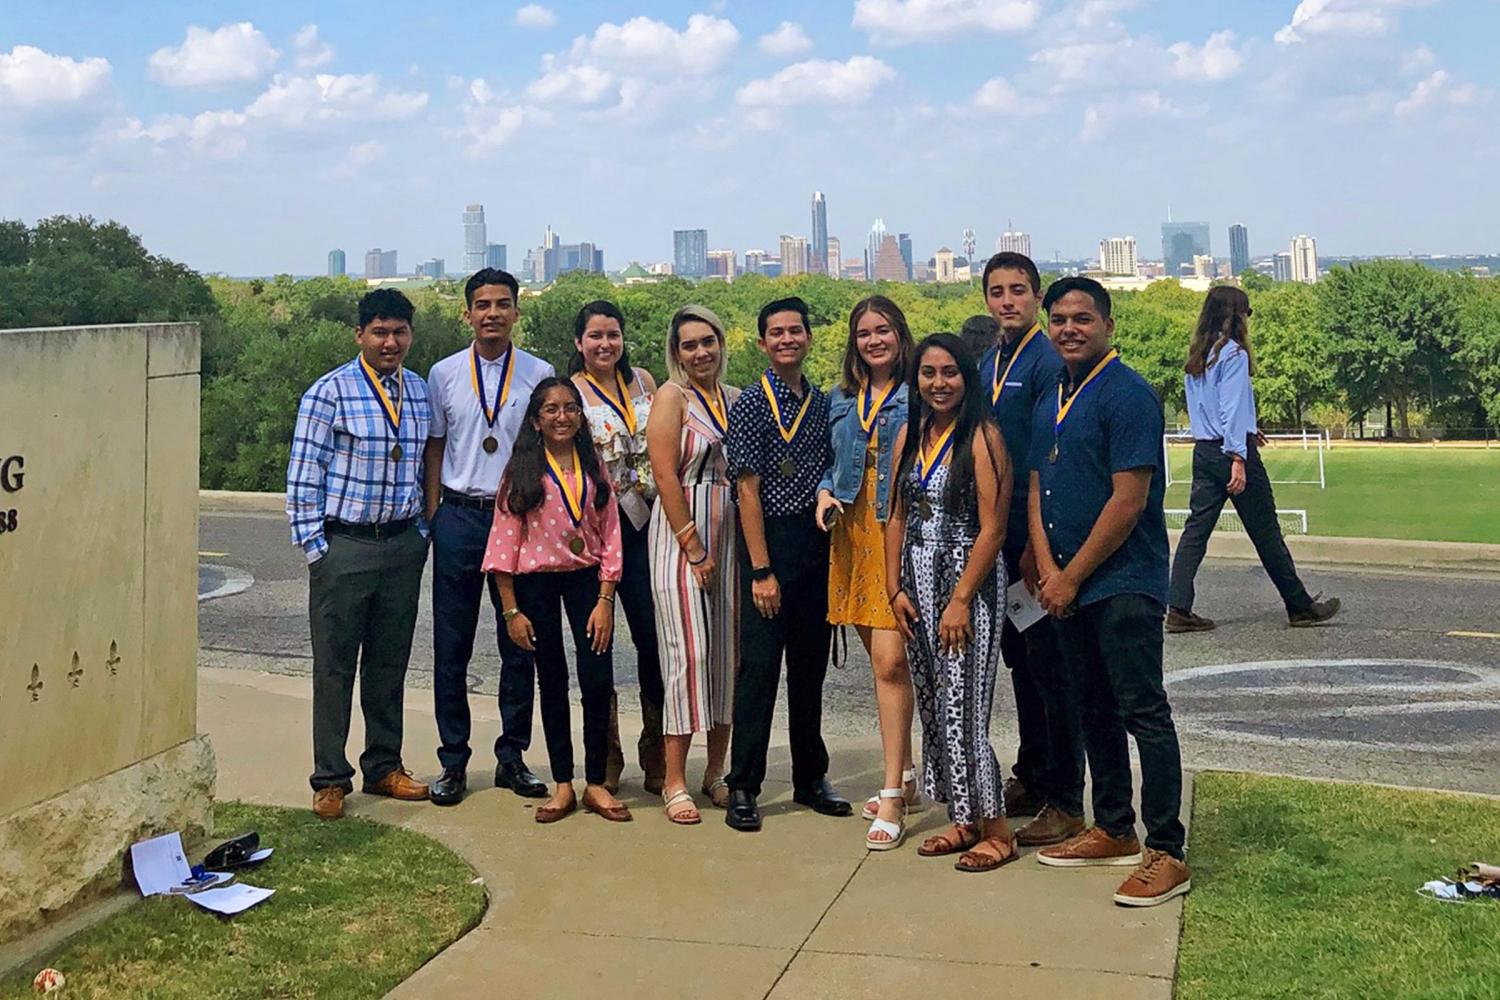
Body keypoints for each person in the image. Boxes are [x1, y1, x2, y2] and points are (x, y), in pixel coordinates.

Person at [1027, 276, 1191, 907]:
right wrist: (1048, 569)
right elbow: (1039, 486)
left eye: (1083, 319)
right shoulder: (1053, 398)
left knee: (1141, 710)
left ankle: (1166, 848)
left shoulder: (1128, 395)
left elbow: (1129, 501)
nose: (1071, 329)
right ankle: (1114, 827)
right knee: (1092, 708)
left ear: (1108, 326)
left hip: (1122, 583)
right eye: (1060, 320)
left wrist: (1071, 575)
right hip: (1065, 586)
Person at [286, 287, 433, 820]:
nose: (390, 342)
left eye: (399, 332)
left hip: (400, 543)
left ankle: (384, 765)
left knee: (389, 663)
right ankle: (330, 778)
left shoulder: (418, 391)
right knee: (334, 666)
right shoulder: (329, 392)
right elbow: (304, 475)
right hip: (344, 543)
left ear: (409, 336)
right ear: (360, 335)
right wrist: (317, 551)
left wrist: (419, 531)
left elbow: (423, 463)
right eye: (379, 332)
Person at [424, 268, 555, 807]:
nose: (492, 313)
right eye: (482, 304)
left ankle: (512, 757)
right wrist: (435, 514)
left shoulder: (539, 372)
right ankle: (453, 761)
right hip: (460, 513)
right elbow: (436, 445)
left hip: (517, 518)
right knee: (451, 647)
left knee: (518, 643)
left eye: (503, 304)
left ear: (517, 311)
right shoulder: (444, 373)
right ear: (467, 313)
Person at [886, 333, 1017, 872]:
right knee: (935, 708)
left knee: (964, 711)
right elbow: (894, 513)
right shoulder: (909, 435)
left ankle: (999, 830)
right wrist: (892, 587)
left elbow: (993, 529)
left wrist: (961, 598)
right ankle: (962, 818)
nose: (938, 384)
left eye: (949, 373)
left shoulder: (983, 437)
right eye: (928, 373)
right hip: (915, 582)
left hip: (967, 586)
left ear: (968, 377)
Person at [723, 296, 850, 831]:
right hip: (768, 543)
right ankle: (744, 786)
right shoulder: (751, 404)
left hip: (813, 544)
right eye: (775, 333)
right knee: (758, 671)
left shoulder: (822, 402)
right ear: (761, 343)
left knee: (809, 670)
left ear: (808, 337)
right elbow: (746, 491)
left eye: (795, 331)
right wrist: (761, 570)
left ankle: (809, 775)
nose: (786, 340)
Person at [483, 379, 630, 823]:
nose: (561, 416)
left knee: (597, 679)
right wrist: (511, 610)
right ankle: (564, 783)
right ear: (535, 420)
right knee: (552, 680)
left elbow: (611, 534)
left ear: (580, 417)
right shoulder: (521, 472)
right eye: (551, 409)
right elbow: (502, 547)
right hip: (537, 584)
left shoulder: (593, 464)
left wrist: (606, 598)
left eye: (569, 408)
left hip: (587, 582)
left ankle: (596, 784)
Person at [976, 252, 1085, 848]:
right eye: (997, 291)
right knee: (1021, 662)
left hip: (1030, 539)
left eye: (1019, 290)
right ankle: (1034, 771)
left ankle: (1066, 797)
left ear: (1036, 298)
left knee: (1052, 668)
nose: (1008, 301)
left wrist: (1033, 548)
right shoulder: (990, 359)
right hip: (997, 534)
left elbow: (1043, 458)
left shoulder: (1047, 362)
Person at [1166, 286, 1341, 632]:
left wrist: (1248, 428)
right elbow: (1230, 407)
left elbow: (1211, 410)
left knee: (1195, 532)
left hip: (1204, 451)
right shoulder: (1233, 355)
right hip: (1230, 452)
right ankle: (1299, 606)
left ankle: (1178, 607)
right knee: (1266, 532)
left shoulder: (1197, 358)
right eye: (1246, 313)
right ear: (1236, 316)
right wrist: (1239, 455)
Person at [814, 296, 919, 850]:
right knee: (885, 668)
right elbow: (832, 464)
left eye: (883, 331)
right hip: (851, 534)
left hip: (896, 529)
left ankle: (894, 794)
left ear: (900, 335)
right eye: (864, 333)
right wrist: (824, 491)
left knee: (890, 660)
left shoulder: (918, 393)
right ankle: (905, 774)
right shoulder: (843, 398)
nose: (874, 341)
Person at [645, 305, 740, 824]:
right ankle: (675, 780)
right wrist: (693, 546)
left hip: (730, 536)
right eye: (690, 345)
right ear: (676, 351)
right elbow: (663, 475)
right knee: (688, 656)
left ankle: (716, 772)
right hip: (684, 533)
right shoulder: (670, 397)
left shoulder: (735, 397)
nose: (701, 352)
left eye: (708, 341)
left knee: (727, 655)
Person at [569, 300, 667, 795]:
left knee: (653, 640)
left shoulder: (645, 383)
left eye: (612, 334)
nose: (605, 344)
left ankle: (656, 750)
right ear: (579, 343)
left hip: (649, 527)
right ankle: (604, 754)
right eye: (594, 336)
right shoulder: (572, 394)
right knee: (597, 644)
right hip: (593, 530)